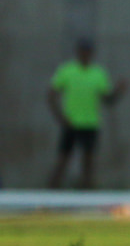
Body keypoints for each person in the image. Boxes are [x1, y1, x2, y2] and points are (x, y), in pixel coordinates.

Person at [46, 38, 125, 190]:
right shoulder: (67, 70)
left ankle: (87, 193)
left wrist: (118, 91)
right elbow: (51, 95)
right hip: (71, 123)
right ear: (78, 52)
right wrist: (60, 117)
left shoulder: (98, 73)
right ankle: (51, 194)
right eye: (83, 50)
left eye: (88, 51)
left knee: (88, 161)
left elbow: (107, 99)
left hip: (90, 123)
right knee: (63, 159)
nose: (85, 54)